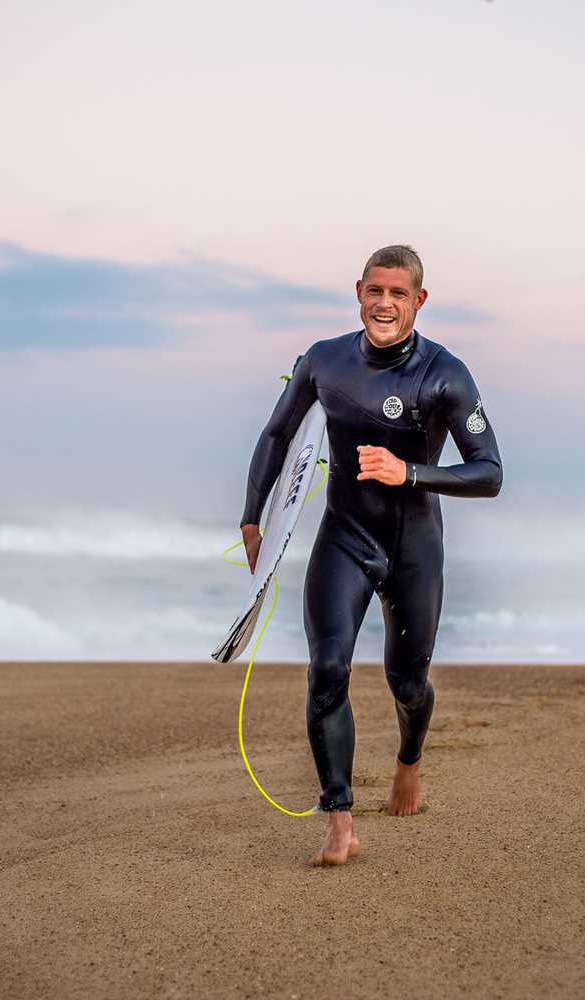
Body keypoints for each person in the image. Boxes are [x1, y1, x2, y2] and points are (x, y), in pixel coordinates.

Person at [238, 245, 503, 866]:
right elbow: (276, 434)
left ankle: (409, 761)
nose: (385, 304)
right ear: (358, 291)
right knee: (326, 669)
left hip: (415, 549)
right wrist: (255, 516)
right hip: (344, 538)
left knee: (407, 683)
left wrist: (409, 472)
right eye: (375, 291)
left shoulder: (445, 374)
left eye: (398, 294)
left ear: (419, 300)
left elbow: (490, 473)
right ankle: (339, 820)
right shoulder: (324, 360)